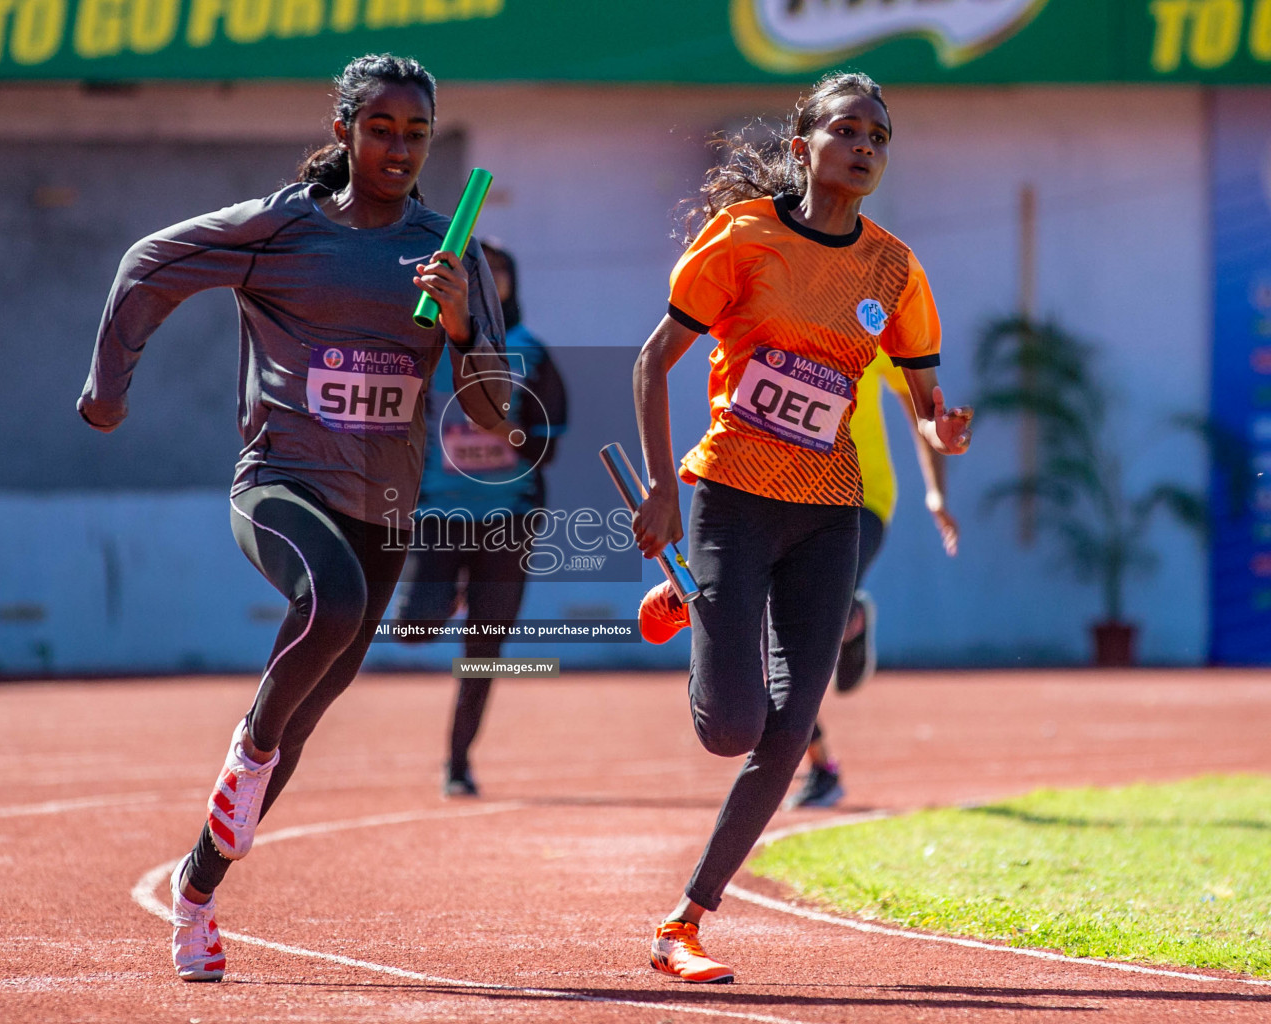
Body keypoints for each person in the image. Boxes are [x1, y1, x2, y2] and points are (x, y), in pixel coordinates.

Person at [76, 54, 509, 983]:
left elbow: (490, 414)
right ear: (346, 129)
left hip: (384, 507)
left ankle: (197, 896)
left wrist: (467, 324)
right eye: (382, 128)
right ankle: (250, 742)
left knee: (306, 715)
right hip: (280, 483)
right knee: (334, 606)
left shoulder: (452, 248)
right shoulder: (283, 228)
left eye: (416, 133)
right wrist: (108, 388)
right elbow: (147, 263)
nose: (399, 147)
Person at [629, 73, 973, 983]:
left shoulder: (894, 268)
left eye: (879, 136)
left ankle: (686, 920)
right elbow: (653, 361)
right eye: (847, 129)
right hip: (730, 496)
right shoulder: (747, 237)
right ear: (803, 145)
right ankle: (692, 594)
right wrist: (662, 493)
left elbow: (927, 399)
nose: (865, 146)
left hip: (830, 514)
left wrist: (944, 429)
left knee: (789, 733)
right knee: (730, 731)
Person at [390, 239, 568, 797]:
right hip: (440, 515)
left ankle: (458, 763)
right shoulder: (425, 345)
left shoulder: (530, 351)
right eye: (480, 270)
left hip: (507, 521)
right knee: (415, 629)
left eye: (501, 272)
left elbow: (551, 437)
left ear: (511, 285)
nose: (491, 278)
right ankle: (449, 594)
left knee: (483, 651)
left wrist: (509, 433)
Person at [786, 350, 960, 809]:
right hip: (786, 500)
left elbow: (923, 411)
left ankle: (848, 613)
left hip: (862, 498)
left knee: (809, 623)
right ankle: (821, 767)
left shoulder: (875, 325)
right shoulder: (772, 308)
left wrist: (936, 491)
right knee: (774, 643)